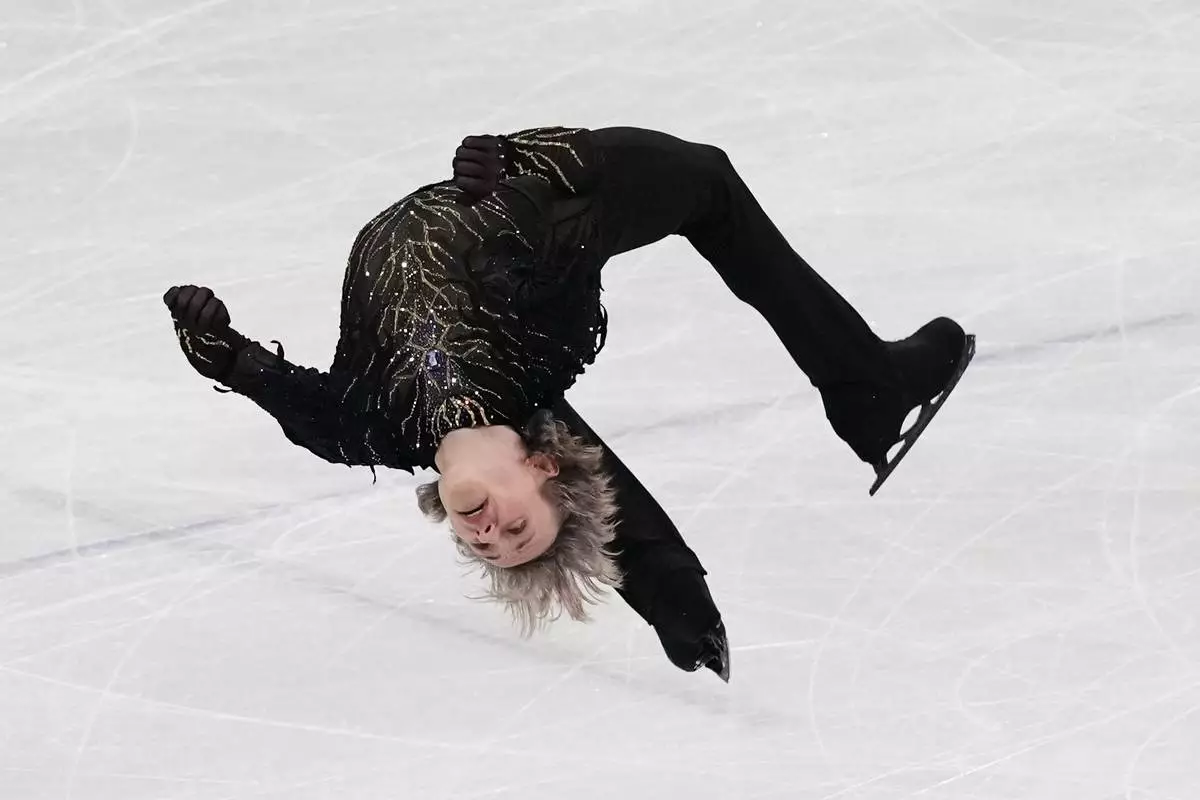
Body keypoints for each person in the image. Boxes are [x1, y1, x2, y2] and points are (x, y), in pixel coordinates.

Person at [163, 126, 974, 682]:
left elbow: (261, 381)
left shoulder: (367, 425)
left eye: (486, 546)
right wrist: (506, 173)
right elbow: (561, 256)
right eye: (518, 529)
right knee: (707, 182)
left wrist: (212, 341)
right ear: (540, 462)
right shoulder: (538, 355)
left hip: (487, 219)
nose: (489, 531)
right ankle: (870, 387)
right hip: (557, 205)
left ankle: (867, 393)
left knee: (697, 183)